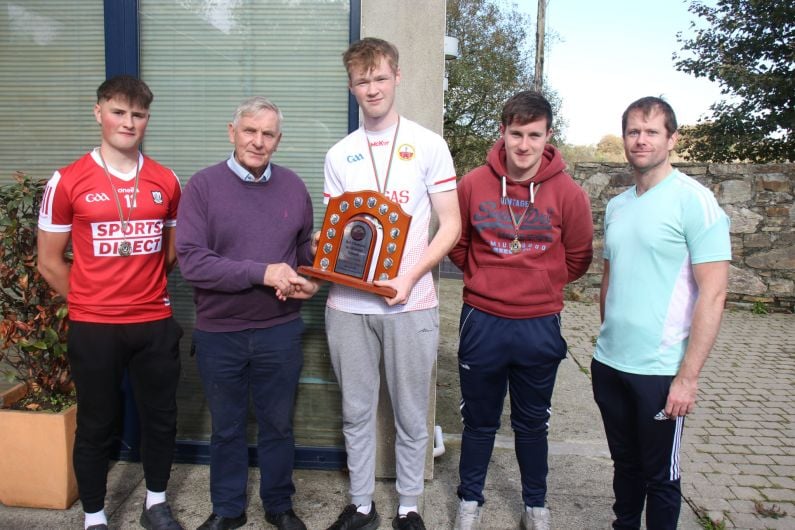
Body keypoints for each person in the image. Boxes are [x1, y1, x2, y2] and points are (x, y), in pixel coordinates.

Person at [318, 37, 461, 530]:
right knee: (356, 413)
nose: (372, 87)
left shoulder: (428, 144)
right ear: (351, 85)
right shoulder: (340, 153)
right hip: (348, 306)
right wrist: (322, 253)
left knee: (411, 416)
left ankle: (408, 507)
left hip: (412, 303)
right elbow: (339, 232)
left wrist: (408, 275)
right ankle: (360, 504)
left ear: (397, 76)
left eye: (380, 77)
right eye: (362, 80)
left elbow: (452, 225)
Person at [37, 75, 184, 530]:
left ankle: (156, 503)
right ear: (98, 112)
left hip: (154, 322)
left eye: (138, 114)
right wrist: (91, 302)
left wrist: (143, 291)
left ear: (147, 120)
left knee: (160, 419)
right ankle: (95, 515)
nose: (129, 122)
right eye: (119, 112)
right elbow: (48, 261)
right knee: (97, 423)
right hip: (95, 327)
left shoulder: (165, 179)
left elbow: (171, 250)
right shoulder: (68, 180)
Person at [448, 91, 594, 530]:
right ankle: (469, 500)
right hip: (483, 319)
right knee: (479, 421)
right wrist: (486, 279)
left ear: (548, 136)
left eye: (534, 135)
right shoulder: (473, 183)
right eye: (516, 134)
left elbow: (578, 256)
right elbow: (456, 243)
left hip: (538, 323)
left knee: (532, 424)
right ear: (503, 133)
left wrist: (541, 285)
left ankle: (536, 505)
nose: (524, 145)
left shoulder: (568, 192)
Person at [175, 96, 316, 530]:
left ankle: (279, 507)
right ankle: (228, 510)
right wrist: (263, 272)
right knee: (228, 429)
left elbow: (303, 253)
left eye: (267, 133)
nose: (257, 141)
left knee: (278, 427)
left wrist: (311, 278)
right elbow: (193, 262)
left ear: (278, 140)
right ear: (231, 131)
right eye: (249, 131)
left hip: (279, 331)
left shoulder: (293, 186)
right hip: (221, 333)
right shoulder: (202, 186)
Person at [592, 97, 731, 530]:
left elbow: (714, 293)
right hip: (610, 363)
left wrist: (687, 378)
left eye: (652, 131)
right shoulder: (617, 206)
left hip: (661, 371)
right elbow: (609, 281)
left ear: (671, 139)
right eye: (633, 131)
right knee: (625, 466)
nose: (641, 139)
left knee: (661, 477)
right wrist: (607, 338)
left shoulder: (695, 201)